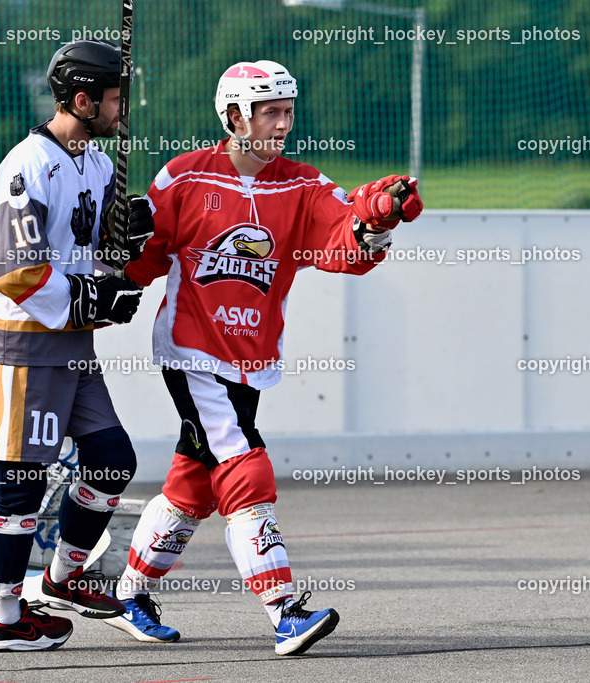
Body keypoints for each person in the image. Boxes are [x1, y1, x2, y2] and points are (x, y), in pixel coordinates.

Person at [103, 60, 423, 655]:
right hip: (192, 351)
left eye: (288, 111)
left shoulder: (302, 185)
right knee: (247, 467)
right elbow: (140, 262)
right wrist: (113, 264)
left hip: (251, 358)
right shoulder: (183, 178)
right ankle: (284, 610)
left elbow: (345, 248)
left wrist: (377, 220)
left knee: (193, 486)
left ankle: (130, 593)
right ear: (234, 116)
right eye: (270, 112)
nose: (283, 124)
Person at [0, 39, 153, 652]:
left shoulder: (97, 163)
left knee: (112, 460)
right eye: (113, 98)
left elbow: (95, 250)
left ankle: (64, 577)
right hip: (23, 347)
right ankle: (4, 618)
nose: (122, 110)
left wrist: (125, 238)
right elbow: (13, 268)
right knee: (20, 484)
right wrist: (88, 301)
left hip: (71, 346)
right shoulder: (27, 167)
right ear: (81, 99)